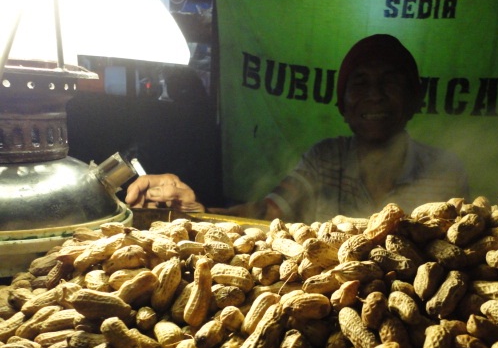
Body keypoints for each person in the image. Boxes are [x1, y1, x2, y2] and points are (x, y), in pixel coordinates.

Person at [125, 34, 469, 222]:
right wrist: (195, 209)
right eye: (360, 83)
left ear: (413, 100)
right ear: (343, 106)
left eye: (390, 81)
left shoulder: (444, 171)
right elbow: (265, 214)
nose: (374, 95)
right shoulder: (325, 159)